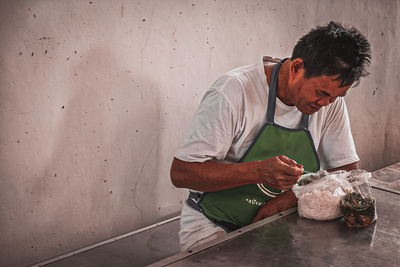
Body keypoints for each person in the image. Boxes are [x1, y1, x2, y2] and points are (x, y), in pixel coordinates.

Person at [170, 21, 371, 251]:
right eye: (321, 93)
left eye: (336, 97)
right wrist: (258, 172)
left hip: (279, 226)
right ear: (297, 68)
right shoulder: (233, 92)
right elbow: (181, 173)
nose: (325, 104)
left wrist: (291, 198)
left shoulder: (330, 103)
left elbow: (346, 173)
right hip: (214, 225)